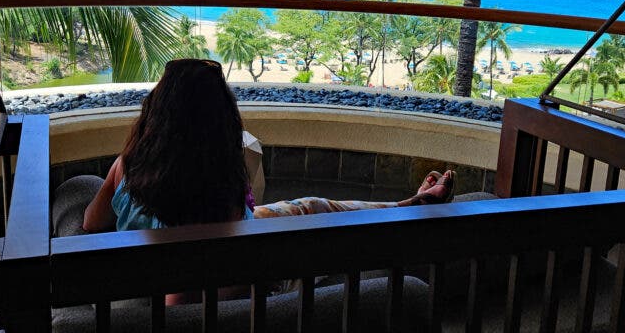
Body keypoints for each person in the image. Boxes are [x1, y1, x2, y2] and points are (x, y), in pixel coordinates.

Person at [82, 58, 455, 234]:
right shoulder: (216, 197)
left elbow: (89, 224)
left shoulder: (127, 167)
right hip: (257, 261)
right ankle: (407, 211)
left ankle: (408, 205)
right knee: (314, 210)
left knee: (311, 206)